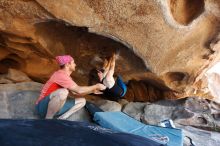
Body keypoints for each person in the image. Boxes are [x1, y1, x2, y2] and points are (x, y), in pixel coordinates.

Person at [35, 55, 106, 119]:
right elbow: (79, 90)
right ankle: (48, 120)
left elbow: (76, 93)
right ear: (67, 64)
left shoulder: (67, 78)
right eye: (73, 63)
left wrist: (92, 91)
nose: (75, 65)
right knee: (63, 92)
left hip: (56, 107)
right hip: (43, 107)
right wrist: (96, 86)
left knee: (82, 101)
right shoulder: (60, 75)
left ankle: (62, 118)